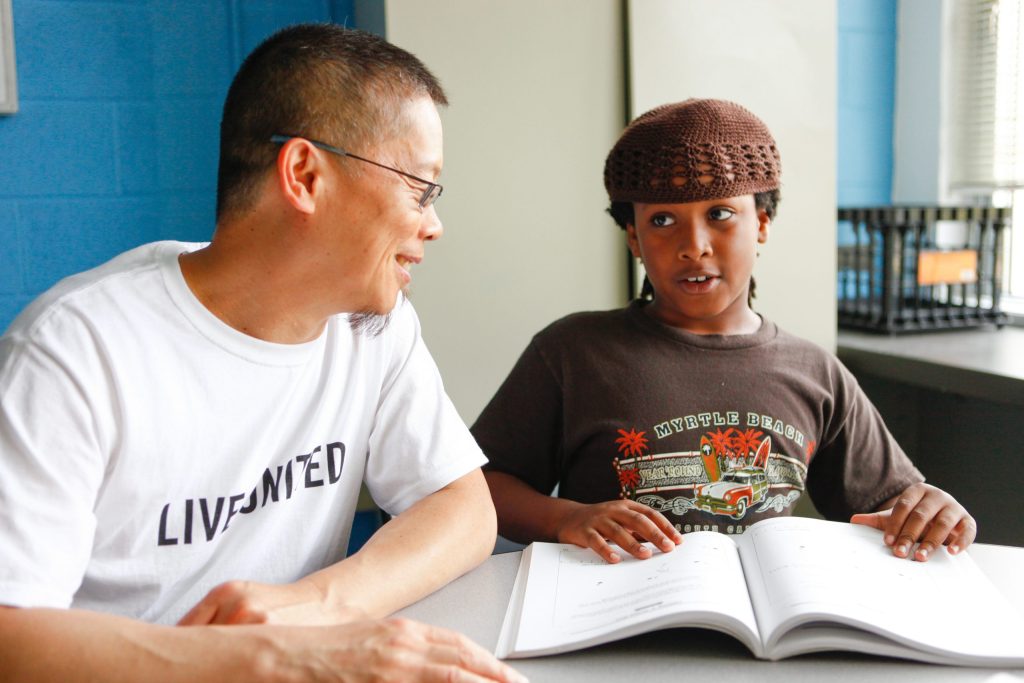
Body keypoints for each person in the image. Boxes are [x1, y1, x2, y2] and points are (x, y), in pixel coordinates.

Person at [0, 24, 525, 683]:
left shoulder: (373, 326)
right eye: (419, 188)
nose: (434, 224)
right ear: (304, 175)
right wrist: (274, 656)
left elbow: (464, 506)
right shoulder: (71, 352)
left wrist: (318, 607)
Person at [472, 98, 976, 566]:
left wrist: (930, 509)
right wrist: (567, 518)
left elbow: (892, 507)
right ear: (634, 238)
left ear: (762, 223)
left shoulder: (815, 372)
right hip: (610, 609)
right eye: (663, 219)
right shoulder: (572, 353)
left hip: (762, 625)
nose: (694, 245)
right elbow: (483, 488)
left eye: (720, 214)